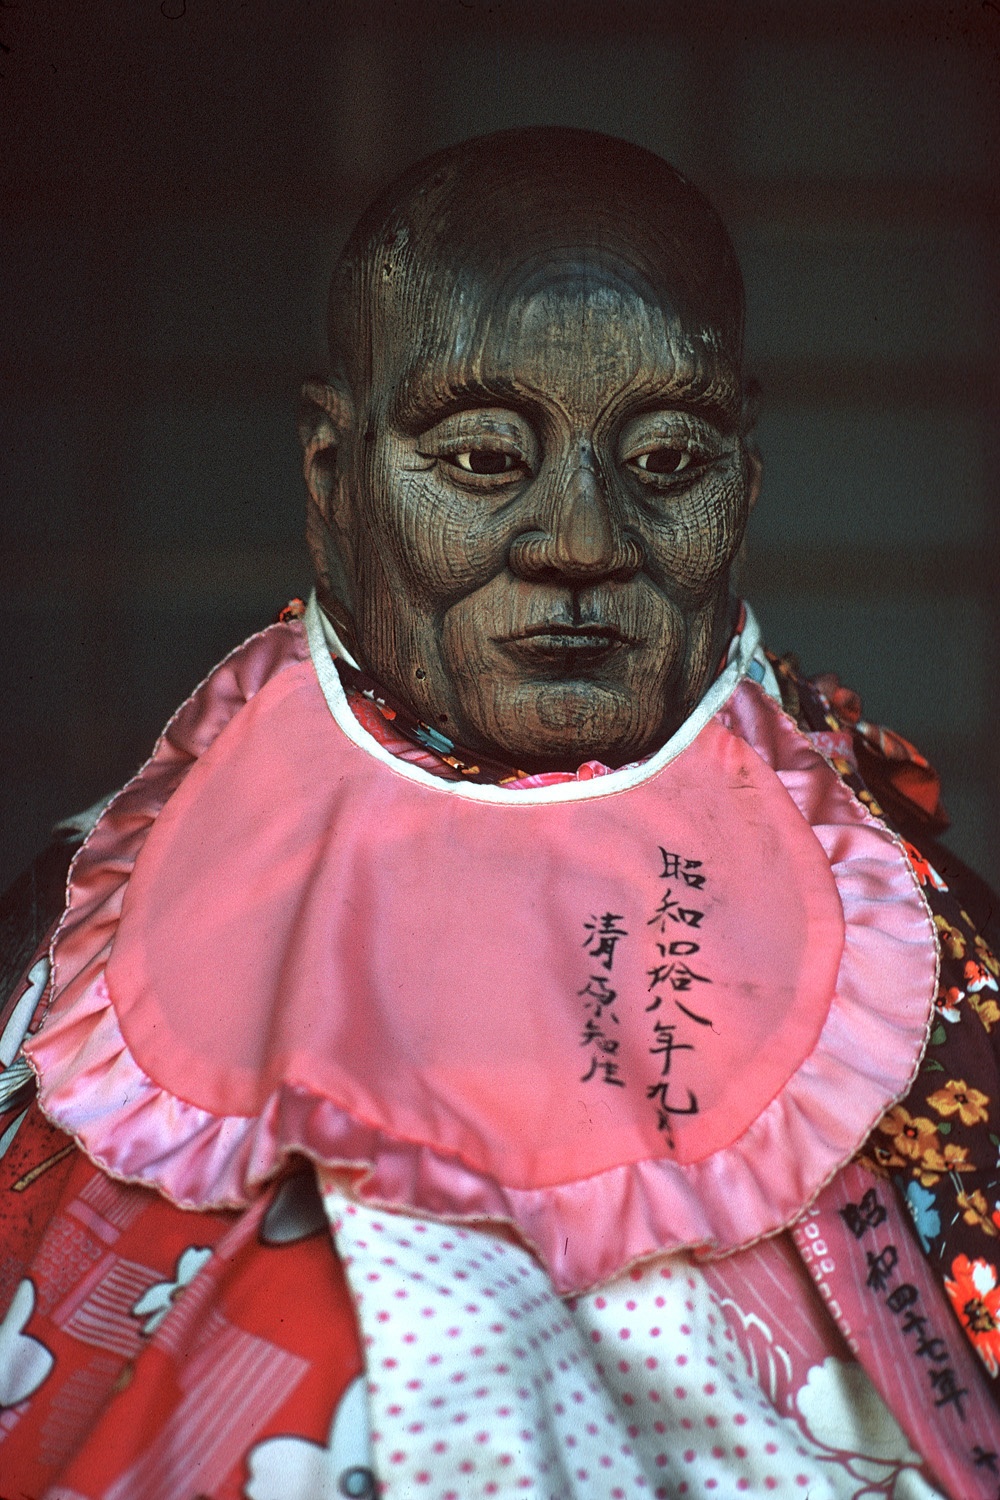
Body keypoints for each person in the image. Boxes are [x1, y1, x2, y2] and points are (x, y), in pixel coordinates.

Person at [1, 127, 998, 1498]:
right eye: (479, 458)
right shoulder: (84, 935)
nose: (580, 538)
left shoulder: (907, 937)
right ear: (332, 479)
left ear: (747, 486)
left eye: (665, 460)